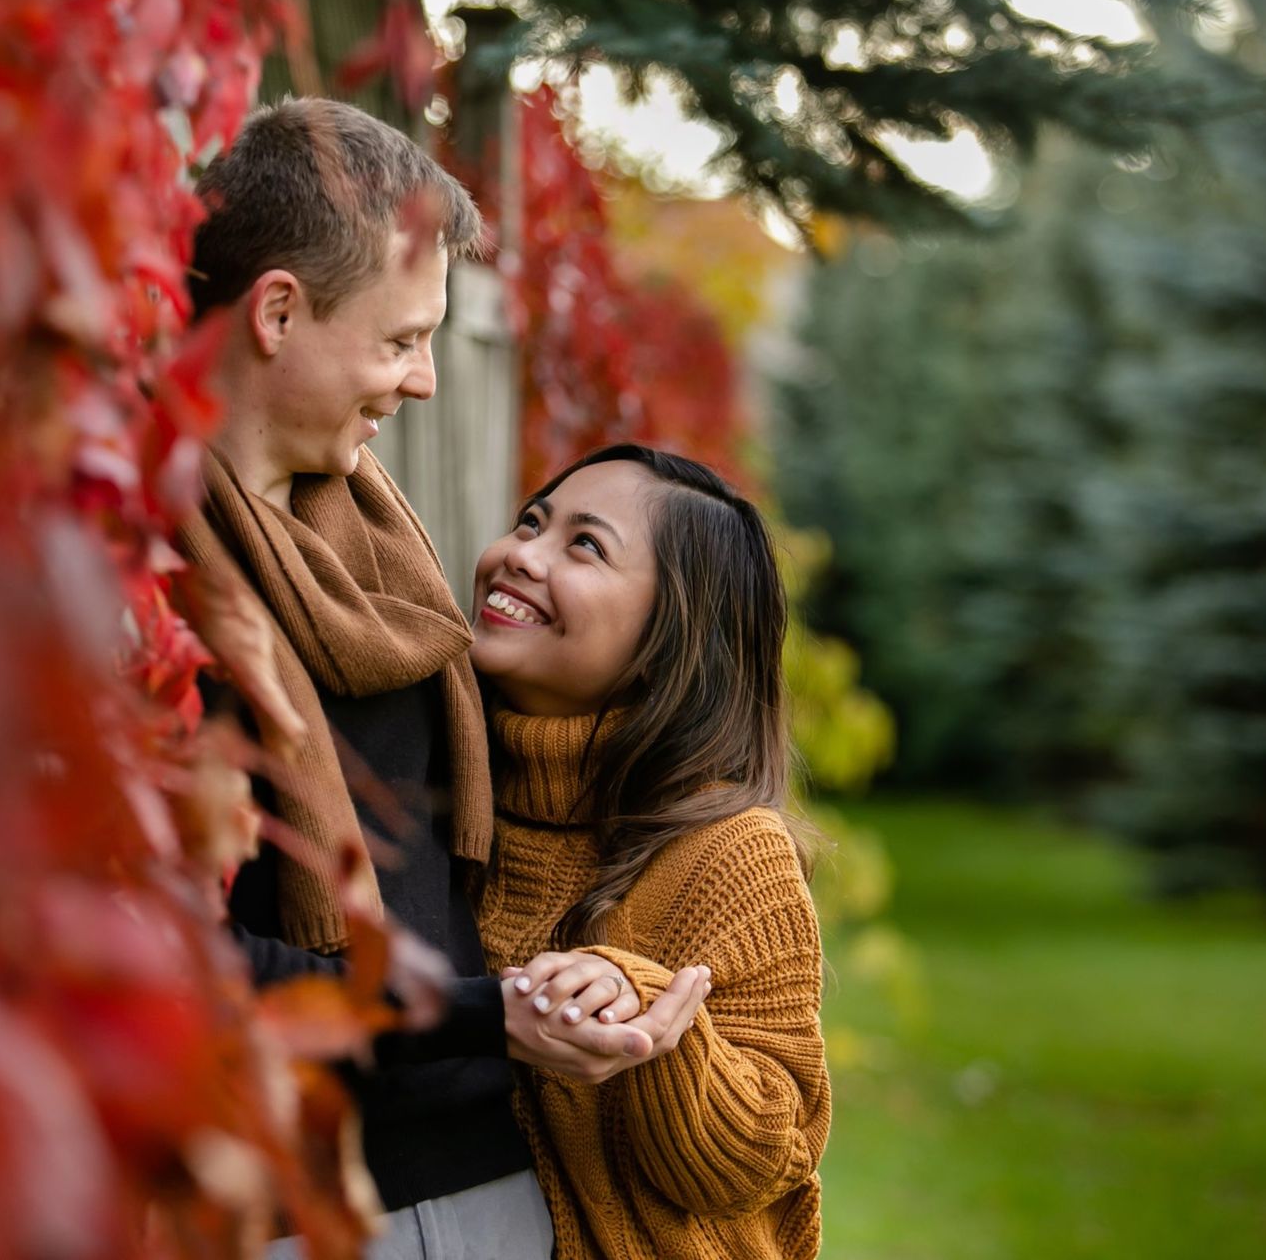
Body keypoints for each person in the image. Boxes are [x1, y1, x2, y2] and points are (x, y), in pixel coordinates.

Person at [177, 100, 708, 1256]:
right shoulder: (166, 581)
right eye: (401, 340)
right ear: (277, 312)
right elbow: (190, 957)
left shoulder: (371, 536)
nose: (424, 382)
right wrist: (492, 1012)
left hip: (484, 1173)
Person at [470, 444, 832, 1260]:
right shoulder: (450, 788)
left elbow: (768, 1155)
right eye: (532, 520)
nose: (521, 554)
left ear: (673, 634)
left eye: (584, 545)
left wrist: (653, 1016)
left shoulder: (731, 852)